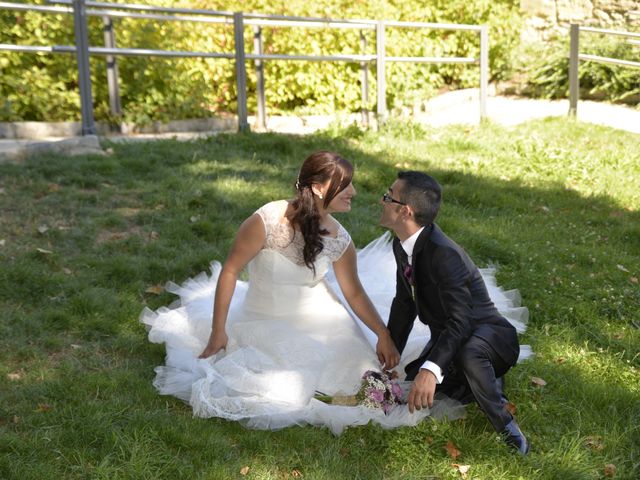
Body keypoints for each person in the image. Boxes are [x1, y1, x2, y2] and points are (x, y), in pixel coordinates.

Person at [141, 151, 461, 435]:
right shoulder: (267, 219)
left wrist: (382, 334)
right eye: (346, 184)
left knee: (366, 377)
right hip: (262, 317)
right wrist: (217, 331)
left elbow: (355, 294)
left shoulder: (339, 237)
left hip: (321, 315)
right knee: (279, 384)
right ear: (320, 187)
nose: (354, 192)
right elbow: (229, 271)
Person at [380, 170, 530, 454]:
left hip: (490, 336)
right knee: (414, 384)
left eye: (388, 196)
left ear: (405, 211)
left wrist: (432, 369)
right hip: (451, 335)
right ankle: (477, 381)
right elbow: (405, 302)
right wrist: (392, 349)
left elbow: (461, 321)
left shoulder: (443, 253)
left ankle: (505, 423)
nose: (382, 200)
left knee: (464, 357)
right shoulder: (401, 245)